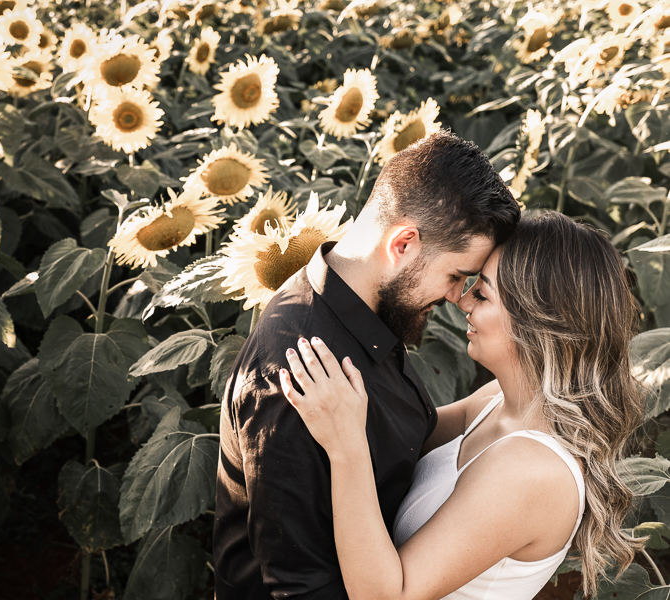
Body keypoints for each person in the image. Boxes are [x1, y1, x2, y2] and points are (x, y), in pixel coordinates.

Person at [213, 130, 521, 599]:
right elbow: (303, 588)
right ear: (403, 244)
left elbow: (405, 435)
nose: (458, 297)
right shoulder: (300, 370)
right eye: (456, 276)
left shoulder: (363, 315)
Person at [279, 212, 644, 600]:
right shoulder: (497, 401)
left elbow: (387, 595)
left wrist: (346, 447)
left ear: (540, 325)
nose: (462, 300)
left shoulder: (533, 470)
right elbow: (400, 434)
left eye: (483, 293)